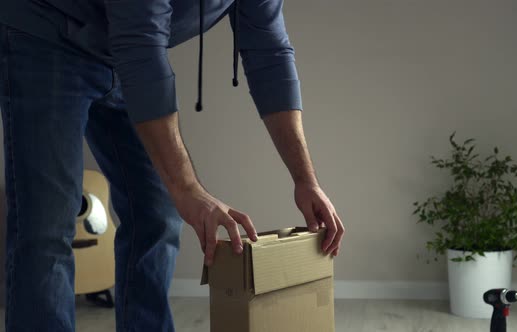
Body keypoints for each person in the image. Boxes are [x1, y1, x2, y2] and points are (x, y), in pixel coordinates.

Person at [0, 0, 345, 331]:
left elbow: (269, 53)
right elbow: (140, 48)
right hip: (45, 38)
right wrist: (189, 189)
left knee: (158, 215)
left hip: (124, 49)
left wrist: (305, 179)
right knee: (46, 227)